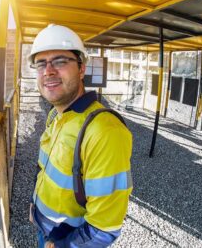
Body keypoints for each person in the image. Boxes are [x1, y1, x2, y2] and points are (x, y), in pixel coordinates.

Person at [28, 24, 133, 248]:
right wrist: (35, 209)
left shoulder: (105, 131)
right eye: (41, 63)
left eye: (60, 61)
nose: (48, 71)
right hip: (44, 228)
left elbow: (104, 227)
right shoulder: (56, 116)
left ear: (82, 69)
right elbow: (44, 169)